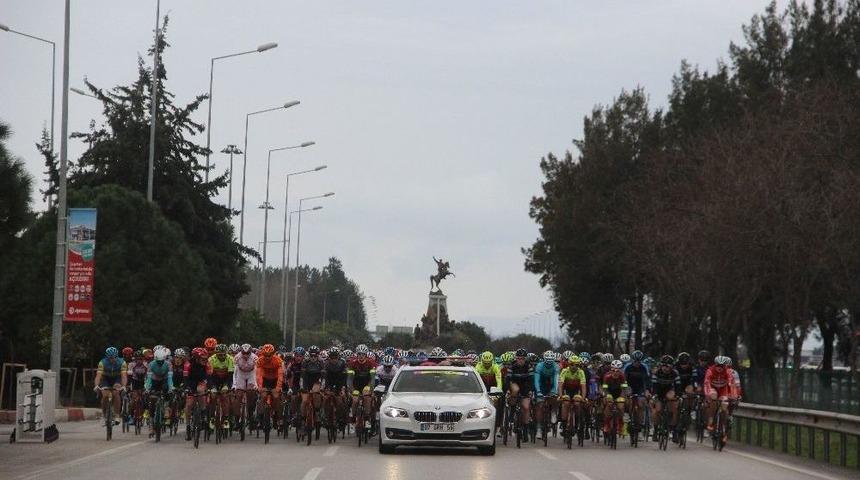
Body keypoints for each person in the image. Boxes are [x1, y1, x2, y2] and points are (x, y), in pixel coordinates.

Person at [703, 355, 739, 442]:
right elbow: (706, 383)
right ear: (715, 364)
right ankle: (711, 422)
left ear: (725, 366)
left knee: (724, 407)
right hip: (713, 388)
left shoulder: (728, 372)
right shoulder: (710, 370)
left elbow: (732, 383)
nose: (720, 367)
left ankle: (723, 429)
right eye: (718, 365)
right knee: (713, 398)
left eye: (722, 366)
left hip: (723, 390)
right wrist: (708, 395)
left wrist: (734, 396)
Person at [183, 347, 212, 441]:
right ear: (196, 358)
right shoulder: (188, 364)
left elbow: (209, 377)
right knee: (189, 404)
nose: (205, 360)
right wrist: (187, 388)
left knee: (201, 391)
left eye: (205, 358)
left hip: (201, 381)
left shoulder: (207, 364)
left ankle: (203, 414)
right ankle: (188, 426)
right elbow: (186, 378)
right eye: (202, 359)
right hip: (190, 382)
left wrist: (210, 387)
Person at [651, 355, 681, 442]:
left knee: (674, 409)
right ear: (661, 365)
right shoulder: (657, 373)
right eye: (663, 365)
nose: (665, 368)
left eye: (668, 366)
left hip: (669, 391)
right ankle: (656, 430)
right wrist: (655, 395)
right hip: (659, 393)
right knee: (657, 410)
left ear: (671, 366)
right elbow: (654, 386)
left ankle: (673, 430)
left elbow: (678, 386)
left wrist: (678, 395)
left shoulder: (675, 373)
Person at [93, 347, 127, 425]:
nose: (112, 359)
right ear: (107, 357)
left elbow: (124, 376)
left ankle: (117, 415)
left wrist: (124, 385)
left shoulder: (122, 362)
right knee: (105, 395)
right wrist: (96, 385)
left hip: (117, 379)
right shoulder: (102, 362)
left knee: (116, 393)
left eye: (114, 357)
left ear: (117, 356)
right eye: (110, 358)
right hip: (105, 379)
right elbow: (98, 376)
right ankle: (104, 415)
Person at [144, 348, 174, 434]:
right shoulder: (151, 364)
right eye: (158, 361)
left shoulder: (168, 364)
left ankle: (166, 408)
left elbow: (170, 378)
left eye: (162, 361)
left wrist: (170, 388)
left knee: (167, 390)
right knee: (152, 400)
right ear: (155, 359)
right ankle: (151, 423)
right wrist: (147, 388)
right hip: (154, 380)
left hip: (164, 380)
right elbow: (149, 378)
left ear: (164, 359)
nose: (160, 363)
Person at [506, 348, 534, 438]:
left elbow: (531, 379)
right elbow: (508, 379)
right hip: (514, 383)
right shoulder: (512, 365)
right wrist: (507, 389)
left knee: (526, 407)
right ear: (516, 358)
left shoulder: (528, 365)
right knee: (515, 390)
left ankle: (525, 429)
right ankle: (512, 410)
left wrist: (530, 390)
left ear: (525, 359)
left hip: (525, 385)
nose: (520, 360)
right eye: (518, 358)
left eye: (522, 358)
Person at [347, 344, 377, 426]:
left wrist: (370, 388)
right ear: (357, 354)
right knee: (355, 400)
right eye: (359, 354)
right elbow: (349, 380)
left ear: (366, 355)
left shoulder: (371, 363)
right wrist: (352, 390)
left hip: (367, 384)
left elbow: (373, 379)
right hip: (355, 385)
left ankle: (367, 419)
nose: (361, 356)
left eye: (363, 354)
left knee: (367, 398)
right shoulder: (352, 363)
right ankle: (353, 418)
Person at [255, 344, 284, 428]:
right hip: (265, 380)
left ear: (273, 354)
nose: (267, 357)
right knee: (263, 396)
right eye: (265, 355)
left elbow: (280, 375)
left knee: (276, 397)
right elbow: (258, 375)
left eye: (269, 355)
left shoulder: (278, 360)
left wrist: (278, 388)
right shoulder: (260, 360)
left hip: (275, 380)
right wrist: (260, 387)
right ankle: (260, 419)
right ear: (263, 354)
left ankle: (277, 416)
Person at [533, 350, 560, 438]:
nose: (549, 363)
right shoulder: (539, 366)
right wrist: (538, 391)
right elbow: (536, 380)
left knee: (554, 398)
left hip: (551, 386)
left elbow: (556, 381)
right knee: (540, 405)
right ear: (544, 359)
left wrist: (555, 392)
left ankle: (553, 411)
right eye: (547, 361)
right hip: (541, 386)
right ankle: (539, 428)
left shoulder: (556, 366)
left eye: (550, 361)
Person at [623, 350, 651, 433]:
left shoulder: (644, 367)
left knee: (640, 403)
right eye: (635, 361)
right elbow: (624, 379)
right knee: (628, 401)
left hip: (640, 387)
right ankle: (627, 414)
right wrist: (626, 389)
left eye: (639, 361)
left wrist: (647, 390)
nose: (637, 363)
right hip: (630, 386)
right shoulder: (628, 367)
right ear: (632, 360)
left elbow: (647, 380)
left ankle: (640, 423)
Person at [559, 355, 587, 436]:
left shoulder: (581, 372)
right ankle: (564, 427)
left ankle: (577, 423)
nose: (574, 366)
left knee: (577, 404)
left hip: (576, 391)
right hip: (566, 391)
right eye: (572, 364)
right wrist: (560, 396)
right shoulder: (564, 371)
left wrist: (583, 398)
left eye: (576, 365)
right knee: (565, 404)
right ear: (569, 364)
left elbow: (583, 387)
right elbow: (560, 385)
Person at [475, 351, 503, 429]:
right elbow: (476, 381)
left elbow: (499, 380)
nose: (487, 365)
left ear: (492, 361)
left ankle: (498, 424)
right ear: (482, 361)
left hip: (493, 386)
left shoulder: (495, 367)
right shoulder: (478, 367)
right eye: (485, 363)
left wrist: (498, 392)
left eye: (488, 363)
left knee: (497, 403)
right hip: (483, 386)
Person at [233, 343, 257, 427]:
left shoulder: (254, 358)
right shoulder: (237, 357)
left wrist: (256, 384)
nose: (246, 355)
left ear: (250, 352)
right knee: (238, 396)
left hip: (251, 374)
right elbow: (234, 372)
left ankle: (250, 414)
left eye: (248, 353)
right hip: (240, 374)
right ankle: (236, 419)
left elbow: (256, 372)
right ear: (241, 352)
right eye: (244, 353)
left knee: (251, 393)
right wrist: (234, 384)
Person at [601, 359, 627, 436]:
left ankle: (621, 424)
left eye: (617, 371)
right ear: (611, 370)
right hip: (609, 392)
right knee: (608, 404)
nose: (615, 372)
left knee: (621, 406)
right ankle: (606, 424)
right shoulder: (607, 376)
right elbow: (605, 389)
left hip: (619, 393)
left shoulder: (622, 376)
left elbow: (624, 389)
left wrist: (622, 397)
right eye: (613, 370)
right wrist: (607, 396)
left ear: (620, 370)